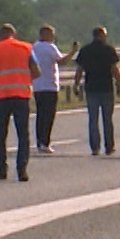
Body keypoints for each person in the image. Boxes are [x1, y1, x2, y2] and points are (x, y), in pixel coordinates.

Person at [0, 23, 40, 181]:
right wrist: (24, 80)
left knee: (1, 134)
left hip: (1, 96)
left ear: (0, 34)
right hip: (21, 95)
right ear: (14, 34)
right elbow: (36, 71)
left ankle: (2, 169)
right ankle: (22, 170)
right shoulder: (26, 48)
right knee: (23, 134)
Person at [73, 26, 120, 156]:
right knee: (107, 119)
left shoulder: (85, 50)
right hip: (106, 88)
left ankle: (95, 147)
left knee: (93, 119)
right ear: (101, 35)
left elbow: (79, 70)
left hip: (91, 88)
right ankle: (109, 146)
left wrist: (76, 85)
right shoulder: (108, 50)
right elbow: (114, 69)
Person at [30, 25, 78, 154]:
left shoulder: (33, 47)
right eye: (51, 34)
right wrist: (72, 52)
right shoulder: (49, 47)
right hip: (49, 85)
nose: (53, 37)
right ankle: (45, 142)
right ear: (44, 34)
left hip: (37, 85)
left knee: (40, 115)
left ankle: (40, 141)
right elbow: (61, 61)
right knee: (48, 115)